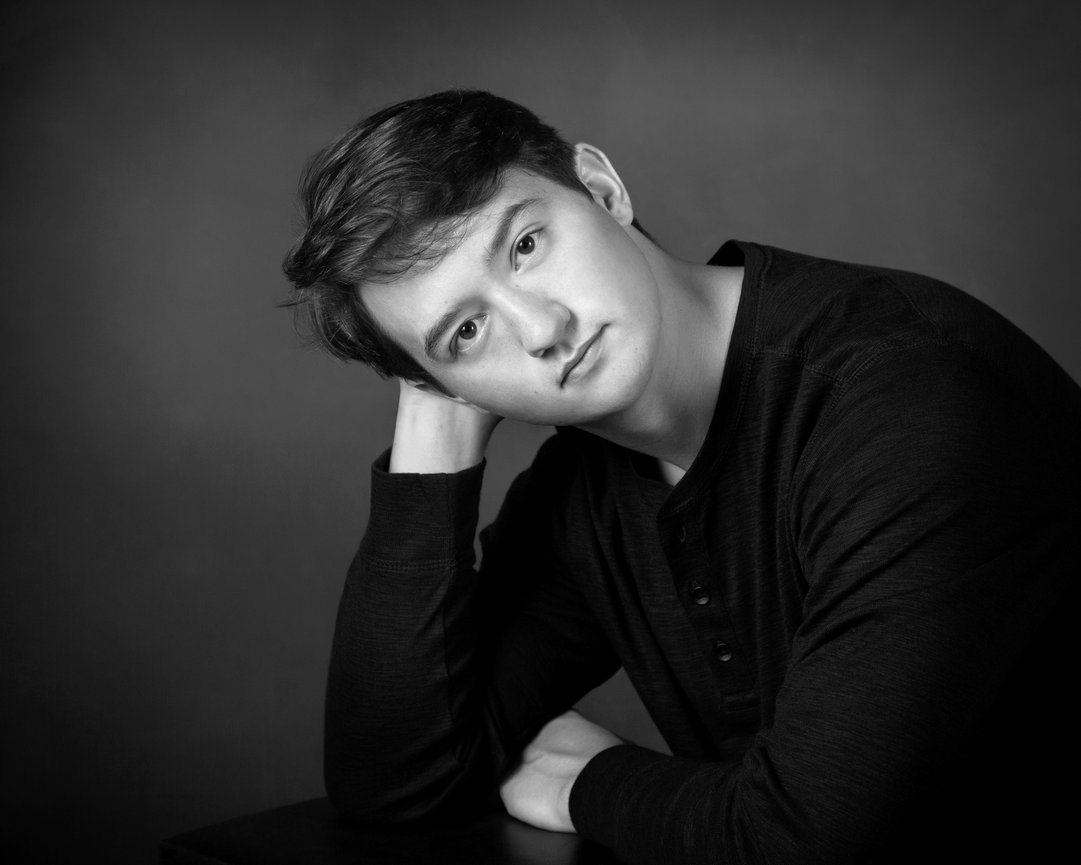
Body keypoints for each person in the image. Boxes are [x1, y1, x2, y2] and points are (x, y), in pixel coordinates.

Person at [282, 90, 1079, 864]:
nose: (541, 327)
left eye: (524, 245)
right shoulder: (584, 490)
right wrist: (433, 438)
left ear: (602, 189)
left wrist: (583, 780)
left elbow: (814, 839)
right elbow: (396, 778)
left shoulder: (906, 397)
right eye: (465, 331)